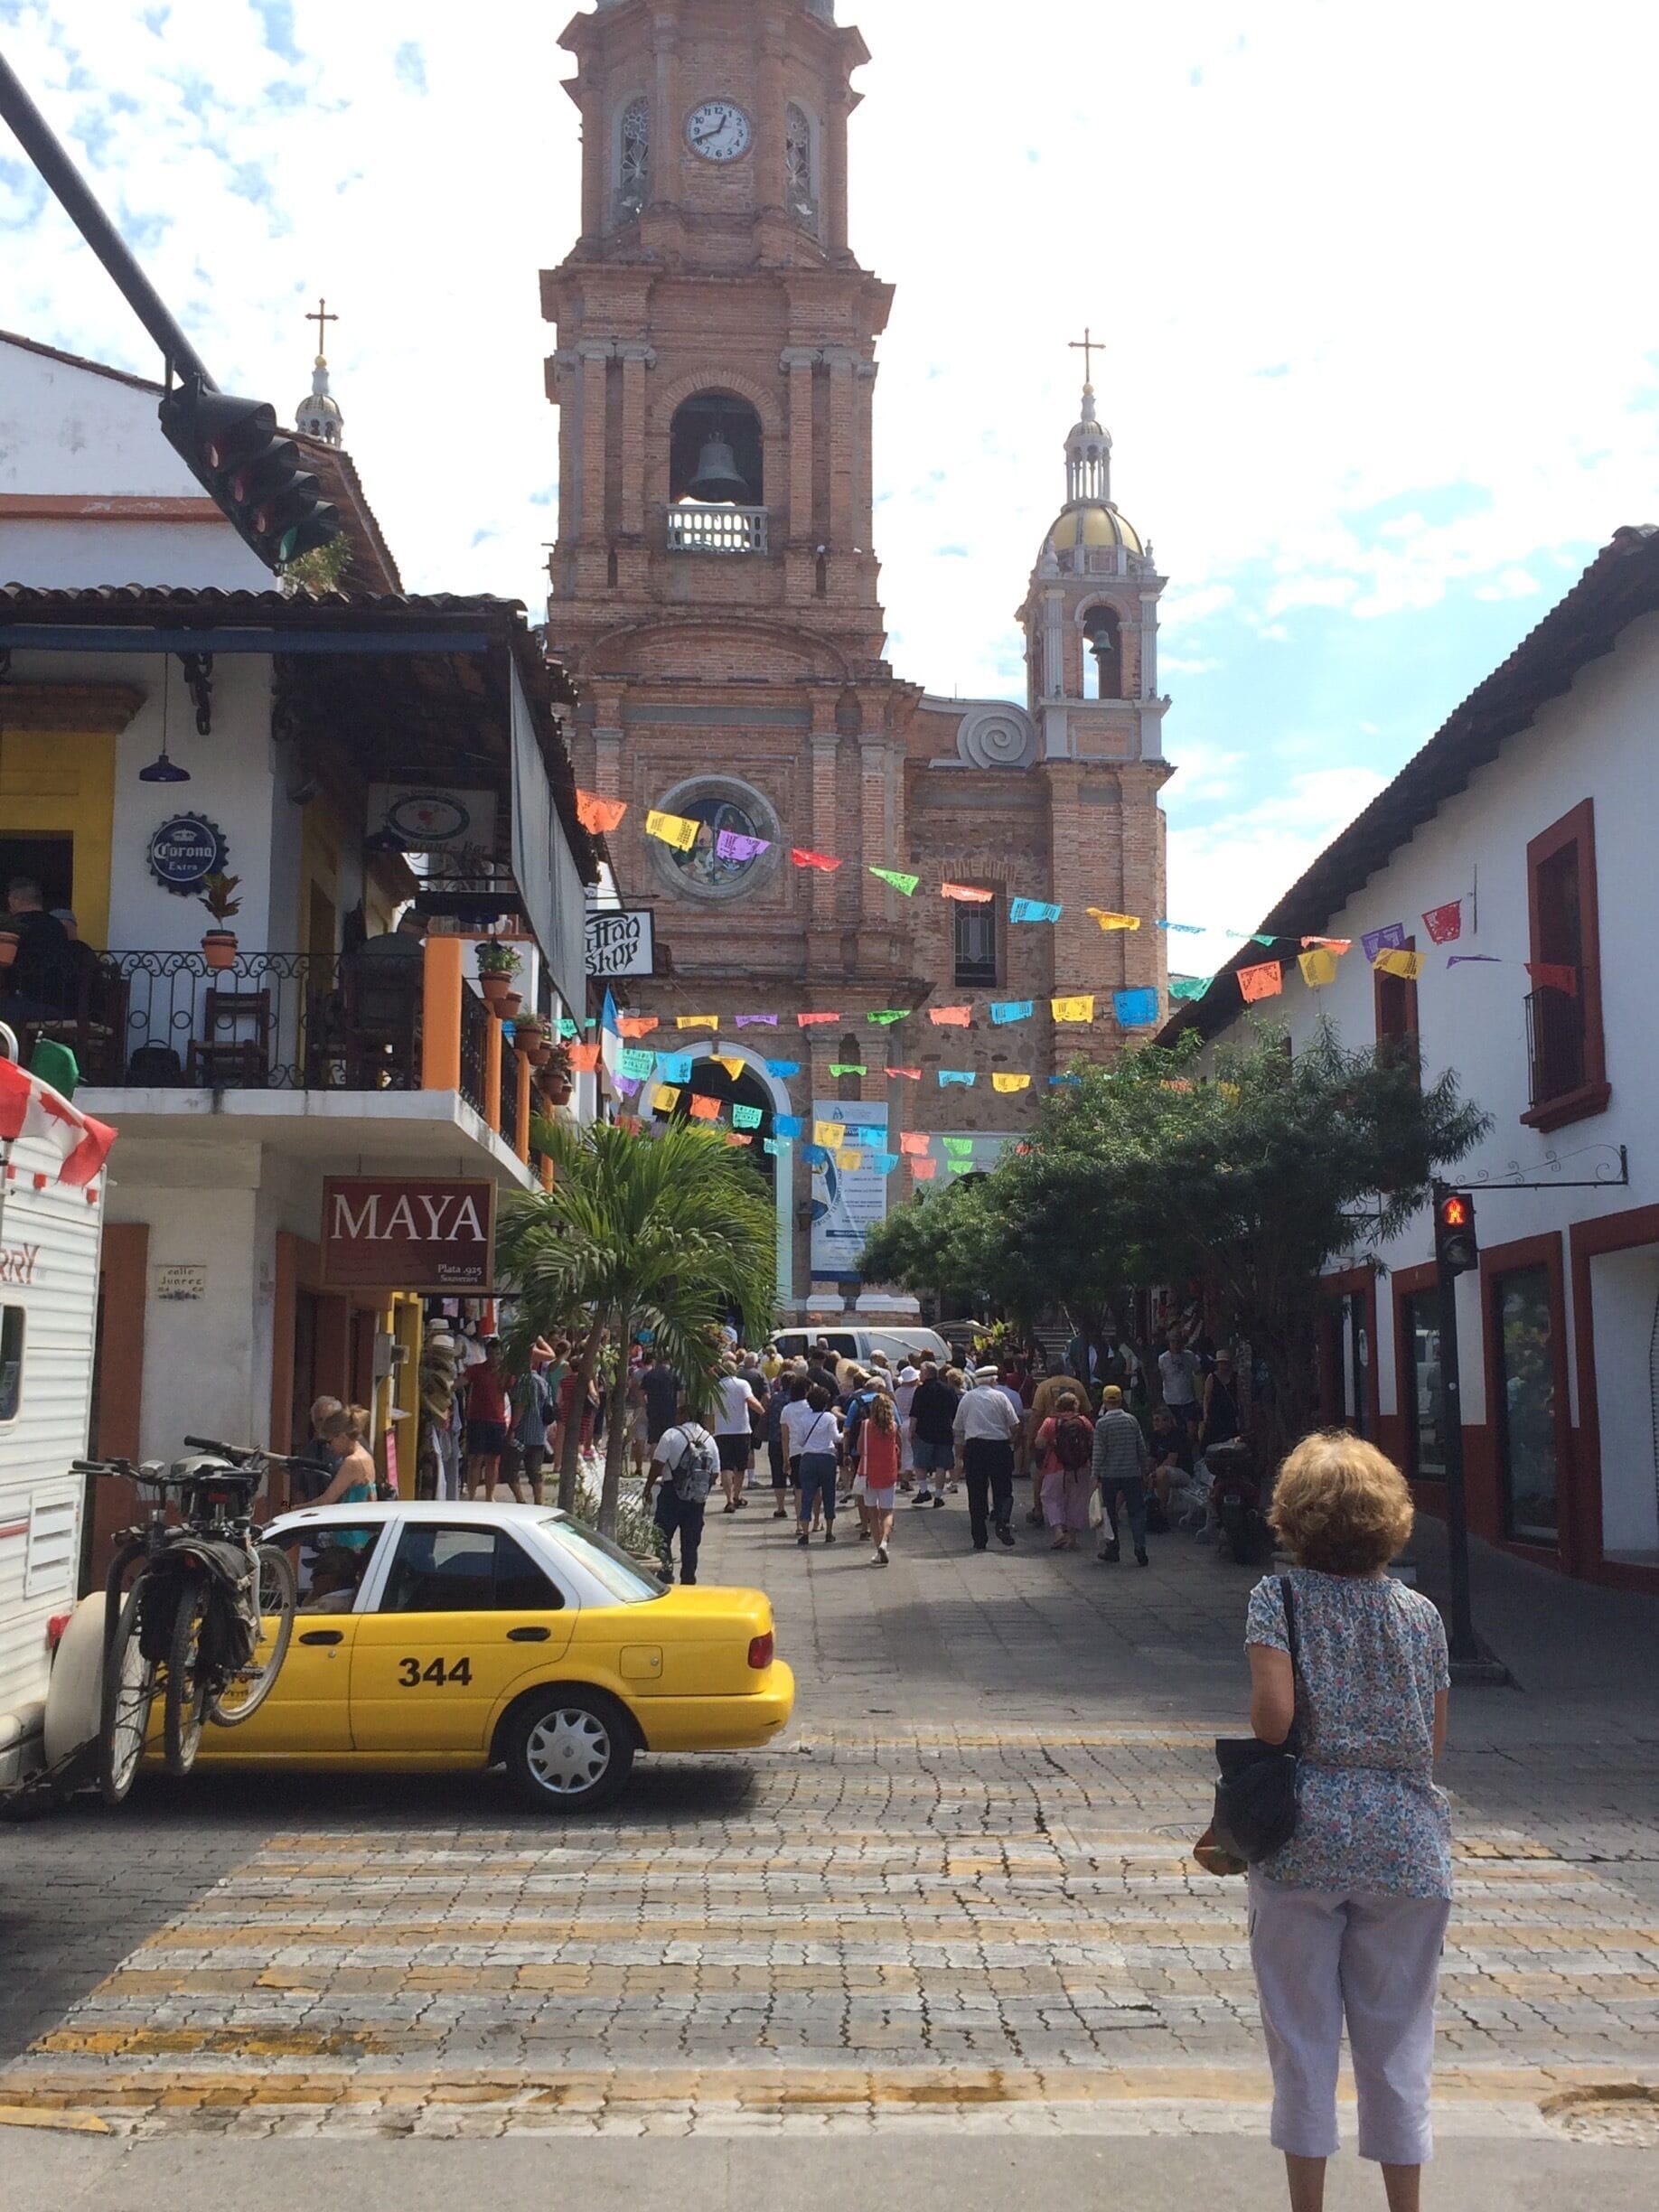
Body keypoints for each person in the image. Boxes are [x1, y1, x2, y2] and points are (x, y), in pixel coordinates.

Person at [1243, 1434, 1451, 2212]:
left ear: (1295, 1518)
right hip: (1406, 1845)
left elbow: (1273, 1724)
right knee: (1398, 2042)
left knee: (1301, 2044)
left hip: (1303, 1841)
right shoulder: (1421, 1614)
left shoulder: (1279, 1599)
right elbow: (1430, 1744)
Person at [644, 1398, 720, 1586]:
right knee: (690, 1541)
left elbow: (657, 1464)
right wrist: (701, 1489)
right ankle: (688, 1577)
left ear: (684, 1415)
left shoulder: (671, 1435)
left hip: (671, 1493)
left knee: (662, 1536)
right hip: (695, 1499)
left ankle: (665, 1573)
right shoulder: (709, 1439)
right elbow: (715, 1472)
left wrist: (648, 1488)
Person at [953, 1365, 1021, 1551]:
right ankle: (1002, 1520)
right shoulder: (1000, 1397)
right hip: (999, 1446)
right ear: (993, 1381)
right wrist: (1011, 1441)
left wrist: (959, 1452)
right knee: (1004, 1489)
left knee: (976, 1492)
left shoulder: (968, 1398)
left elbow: (958, 1426)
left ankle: (979, 1538)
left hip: (975, 1448)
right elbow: (1015, 1424)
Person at [1092, 1383, 1152, 1566]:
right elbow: (1141, 1447)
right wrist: (1145, 1469)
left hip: (1109, 1474)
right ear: (1121, 1400)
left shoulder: (1102, 1424)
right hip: (1131, 1473)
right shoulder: (1131, 1420)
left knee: (1109, 1512)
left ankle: (1113, 1548)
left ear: (1104, 1401)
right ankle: (1140, 1546)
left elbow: (1099, 1451)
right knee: (1136, 1511)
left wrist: (1094, 1475)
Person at [1034, 1388, 1094, 1550]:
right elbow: (1093, 1440)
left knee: (1050, 1497)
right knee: (1077, 1501)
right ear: (1076, 1405)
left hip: (1055, 1466)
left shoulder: (1050, 1422)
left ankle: (1059, 1531)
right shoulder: (1083, 1421)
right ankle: (1072, 1538)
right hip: (1080, 1467)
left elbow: (1039, 1442)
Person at [4, 877, 70, 1008]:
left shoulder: (13, 926)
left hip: (20, 1001)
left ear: (15, 900)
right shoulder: (58, 926)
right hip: (57, 1002)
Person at [713, 1358, 765, 1513]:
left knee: (726, 1465)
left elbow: (709, 1411)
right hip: (741, 1430)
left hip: (722, 1430)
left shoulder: (716, 1387)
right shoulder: (742, 1384)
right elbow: (751, 1401)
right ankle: (737, 1495)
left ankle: (728, 1499)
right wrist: (763, 1413)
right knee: (741, 1465)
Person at [793, 1384, 842, 1546]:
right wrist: (846, 1434)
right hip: (827, 1457)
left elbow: (800, 1441)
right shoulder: (829, 1417)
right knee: (829, 1495)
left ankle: (805, 1532)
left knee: (807, 1495)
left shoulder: (803, 1419)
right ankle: (829, 1532)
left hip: (808, 1458)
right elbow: (835, 1438)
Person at [858, 1388, 901, 1565]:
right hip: (888, 1471)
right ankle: (884, 1542)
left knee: (872, 1513)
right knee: (887, 1511)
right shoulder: (893, 1426)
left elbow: (860, 1448)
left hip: (869, 1473)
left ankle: (878, 1549)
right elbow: (898, 1445)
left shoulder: (866, 1425)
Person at [464, 1338, 511, 1497]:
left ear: (502, 1355)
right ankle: (471, 1494)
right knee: (476, 1459)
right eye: (491, 1354)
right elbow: (461, 1381)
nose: (494, 1357)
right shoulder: (476, 1370)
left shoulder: (506, 1373)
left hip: (497, 1420)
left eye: (497, 1354)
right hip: (477, 1419)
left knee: (493, 1460)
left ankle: (489, 1495)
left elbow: (514, 1392)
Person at [908, 1359, 958, 1508]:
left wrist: (911, 1431)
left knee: (920, 1463)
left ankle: (924, 1490)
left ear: (925, 1374)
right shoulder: (948, 1389)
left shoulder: (921, 1391)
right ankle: (938, 1496)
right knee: (941, 1465)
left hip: (924, 1433)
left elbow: (915, 1413)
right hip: (944, 1432)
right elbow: (955, 1412)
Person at [508, 1348, 554, 1504]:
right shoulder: (543, 1381)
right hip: (539, 1435)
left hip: (522, 1434)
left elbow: (520, 1406)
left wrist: (512, 1429)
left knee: (511, 1469)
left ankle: (520, 1500)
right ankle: (538, 1501)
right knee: (535, 1471)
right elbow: (549, 1408)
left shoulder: (523, 1381)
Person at [314, 1407, 378, 1515]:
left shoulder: (353, 1462)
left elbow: (326, 1500)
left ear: (342, 1437)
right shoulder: (365, 1456)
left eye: (329, 1441)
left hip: (350, 1530)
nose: (328, 1447)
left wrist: (290, 1507)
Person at [291, 1394, 343, 1505]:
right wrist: (292, 1510)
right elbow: (299, 1487)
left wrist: (298, 1508)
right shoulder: (310, 1449)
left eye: (328, 1419)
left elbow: (328, 1499)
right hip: (314, 1514)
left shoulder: (351, 1450)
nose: (323, 1424)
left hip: (341, 1514)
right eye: (319, 1420)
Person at [764, 1367, 795, 1518]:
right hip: (794, 1441)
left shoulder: (775, 1398)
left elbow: (768, 1416)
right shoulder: (797, 1400)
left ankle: (780, 1507)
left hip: (775, 1439)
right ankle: (798, 1504)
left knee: (778, 1474)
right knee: (796, 1475)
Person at [1200, 1349, 1242, 1458]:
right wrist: (1205, 1414)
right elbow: (1207, 1396)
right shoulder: (1212, 1377)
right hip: (1215, 1414)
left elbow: (1238, 1395)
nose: (1223, 1365)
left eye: (1225, 1363)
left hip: (1229, 1414)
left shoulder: (1234, 1377)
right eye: (1221, 1363)